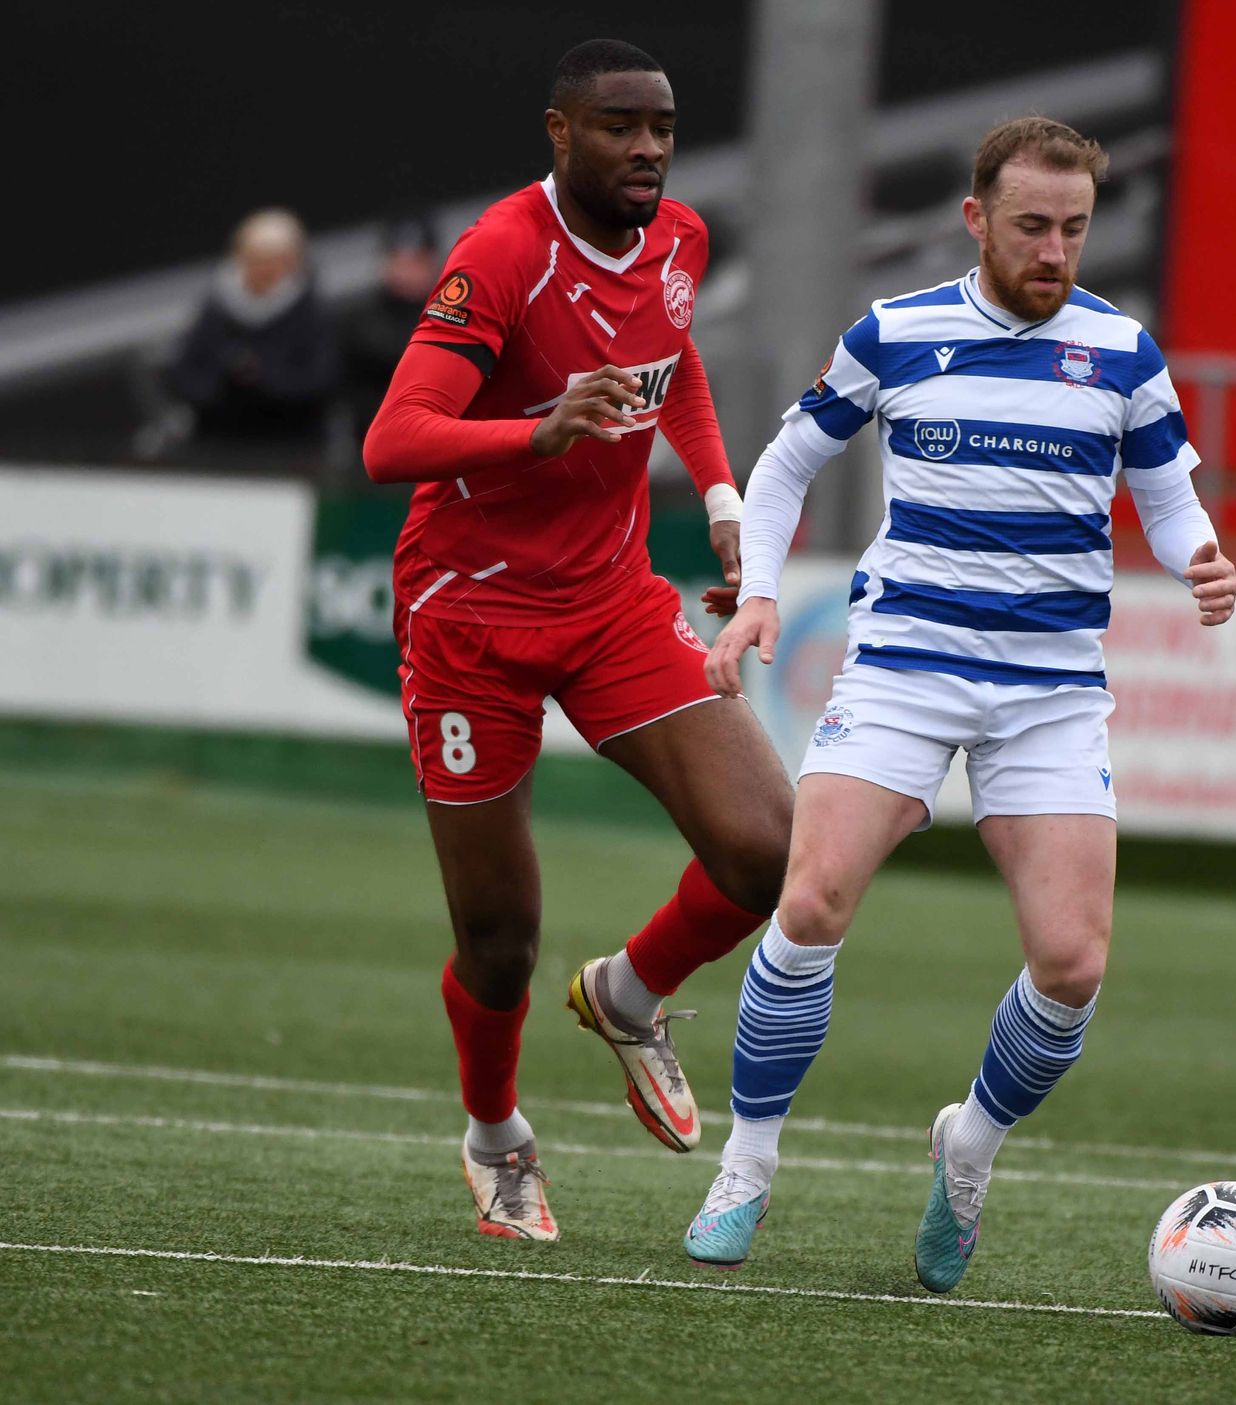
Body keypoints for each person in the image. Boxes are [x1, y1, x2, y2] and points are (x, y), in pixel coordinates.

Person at [689, 116, 1236, 1287]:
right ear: (976, 219)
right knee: (811, 897)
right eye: (1032, 225)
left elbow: (1167, 495)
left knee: (1072, 964)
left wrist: (1199, 555)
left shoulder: (1123, 352)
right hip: (904, 668)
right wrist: (761, 590)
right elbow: (785, 465)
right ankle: (746, 1166)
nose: (1055, 250)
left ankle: (970, 1145)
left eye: (1076, 228)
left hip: (1050, 693)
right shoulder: (896, 333)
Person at [362, 38, 793, 1242]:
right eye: (619, 126)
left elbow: (673, 359)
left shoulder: (680, 240)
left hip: (610, 600)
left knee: (767, 850)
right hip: (471, 621)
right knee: (499, 943)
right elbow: (393, 440)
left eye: (663, 127)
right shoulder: (502, 254)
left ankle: (629, 990)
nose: (648, 148)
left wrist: (721, 496)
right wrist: (536, 433)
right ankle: (496, 1132)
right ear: (560, 134)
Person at [161, 207, 339, 461]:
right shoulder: (216, 310)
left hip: (291, 446)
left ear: (292, 261)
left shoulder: (312, 313)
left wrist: (266, 379)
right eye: (255, 259)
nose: (262, 270)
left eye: (272, 261)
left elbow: (322, 379)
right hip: (218, 444)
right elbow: (184, 373)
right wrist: (226, 383)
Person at [340, 214, 443, 442]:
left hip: (440, 437)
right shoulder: (359, 321)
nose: (407, 272)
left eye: (417, 261)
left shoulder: (455, 313)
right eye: (399, 260)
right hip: (378, 440)